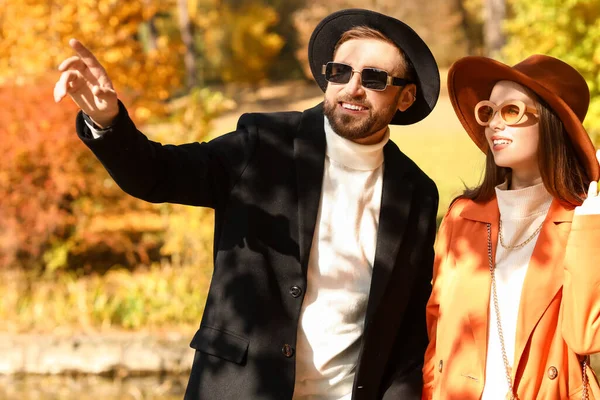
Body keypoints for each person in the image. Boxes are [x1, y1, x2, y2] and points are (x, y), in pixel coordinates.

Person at [53, 8, 441, 400]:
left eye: (373, 78)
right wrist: (107, 121)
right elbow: (157, 175)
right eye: (340, 72)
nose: (352, 88)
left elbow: (408, 328)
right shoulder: (264, 142)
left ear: (406, 96)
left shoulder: (417, 192)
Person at [422, 53, 600, 399]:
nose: (493, 125)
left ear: (551, 122)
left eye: (511, 111)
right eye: (488, 111)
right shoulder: (462, 217)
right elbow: (437, 326)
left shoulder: (582, 225)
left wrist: (592, 222)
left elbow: (586, 335)